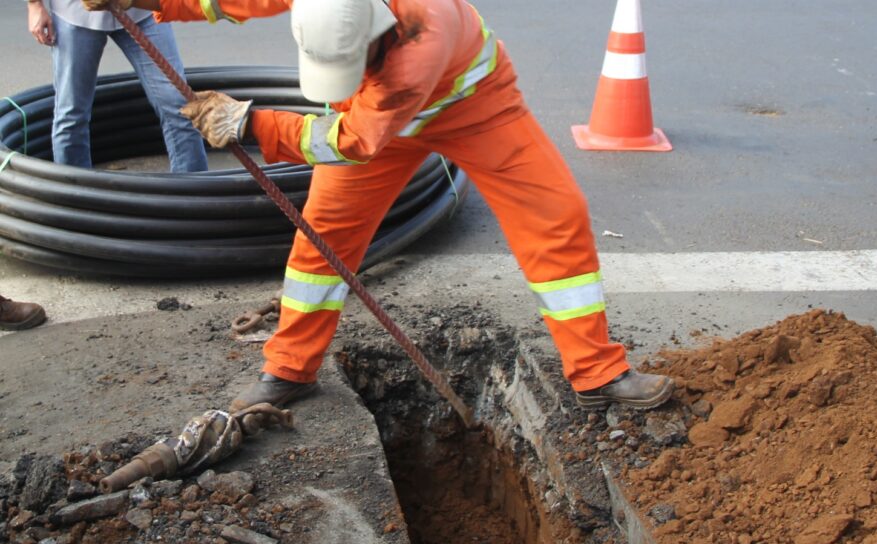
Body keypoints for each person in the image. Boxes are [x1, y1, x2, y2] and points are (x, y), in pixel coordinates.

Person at [84, 0, 675, 411]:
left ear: (378, 31)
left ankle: (598, 373)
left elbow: (351, 142)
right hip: (374, 110)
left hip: (475, 105)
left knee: (556, 213)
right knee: (323, 238)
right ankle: (288, 367)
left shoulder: (418, 39)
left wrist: (253, 122)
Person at [27, 0, 207, 172]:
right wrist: (35, 4)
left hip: (142, 10)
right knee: (71, 115)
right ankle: (74, 195)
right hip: (75, 13)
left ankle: (193, 195)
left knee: (179, 106)